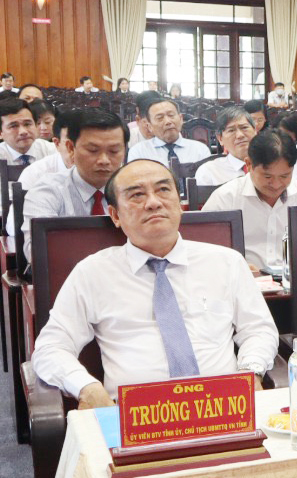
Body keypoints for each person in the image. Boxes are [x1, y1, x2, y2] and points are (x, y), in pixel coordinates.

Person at [32, 159, 279, 407]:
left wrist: (251, 372)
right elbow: (51, 348)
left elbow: (259, 330)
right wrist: (86, 387)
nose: (153, 202)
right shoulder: (92, 273)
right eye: (137, 195)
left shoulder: (226, 262)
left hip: (221, 409)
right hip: (135, 418)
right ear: (115, 215)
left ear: (179, 205)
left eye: (163, 190)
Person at [202, 131, 297, 271]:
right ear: (248, 164)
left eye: (285, 176)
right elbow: (204, 251)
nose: (276, 184)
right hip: (242, 281)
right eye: (267, 177)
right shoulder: (225, 199)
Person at [21, 109, 128, 263]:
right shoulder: (48, 190)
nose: (104, 160)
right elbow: (37, 252)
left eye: (114, 151)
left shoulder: (136, 189)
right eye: (93, 150)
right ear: (71, 148)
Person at [126, 97, 208, 183]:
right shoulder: (139, 151)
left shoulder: (200, 149)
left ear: (181, 119)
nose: (168, 121)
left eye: (171, 115)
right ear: (149, 126)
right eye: (160, 118)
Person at [194, 106, 256, 187]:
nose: (240, 135)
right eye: (231, 130)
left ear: (255, 131)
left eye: (244, 127)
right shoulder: (208, 171)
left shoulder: (272, 164)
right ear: (220, 139)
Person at [0, 97, 57, 164]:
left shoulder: (52, 150)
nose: (23, 131)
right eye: (14, 126)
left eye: (27, 124)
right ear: (1, 133)